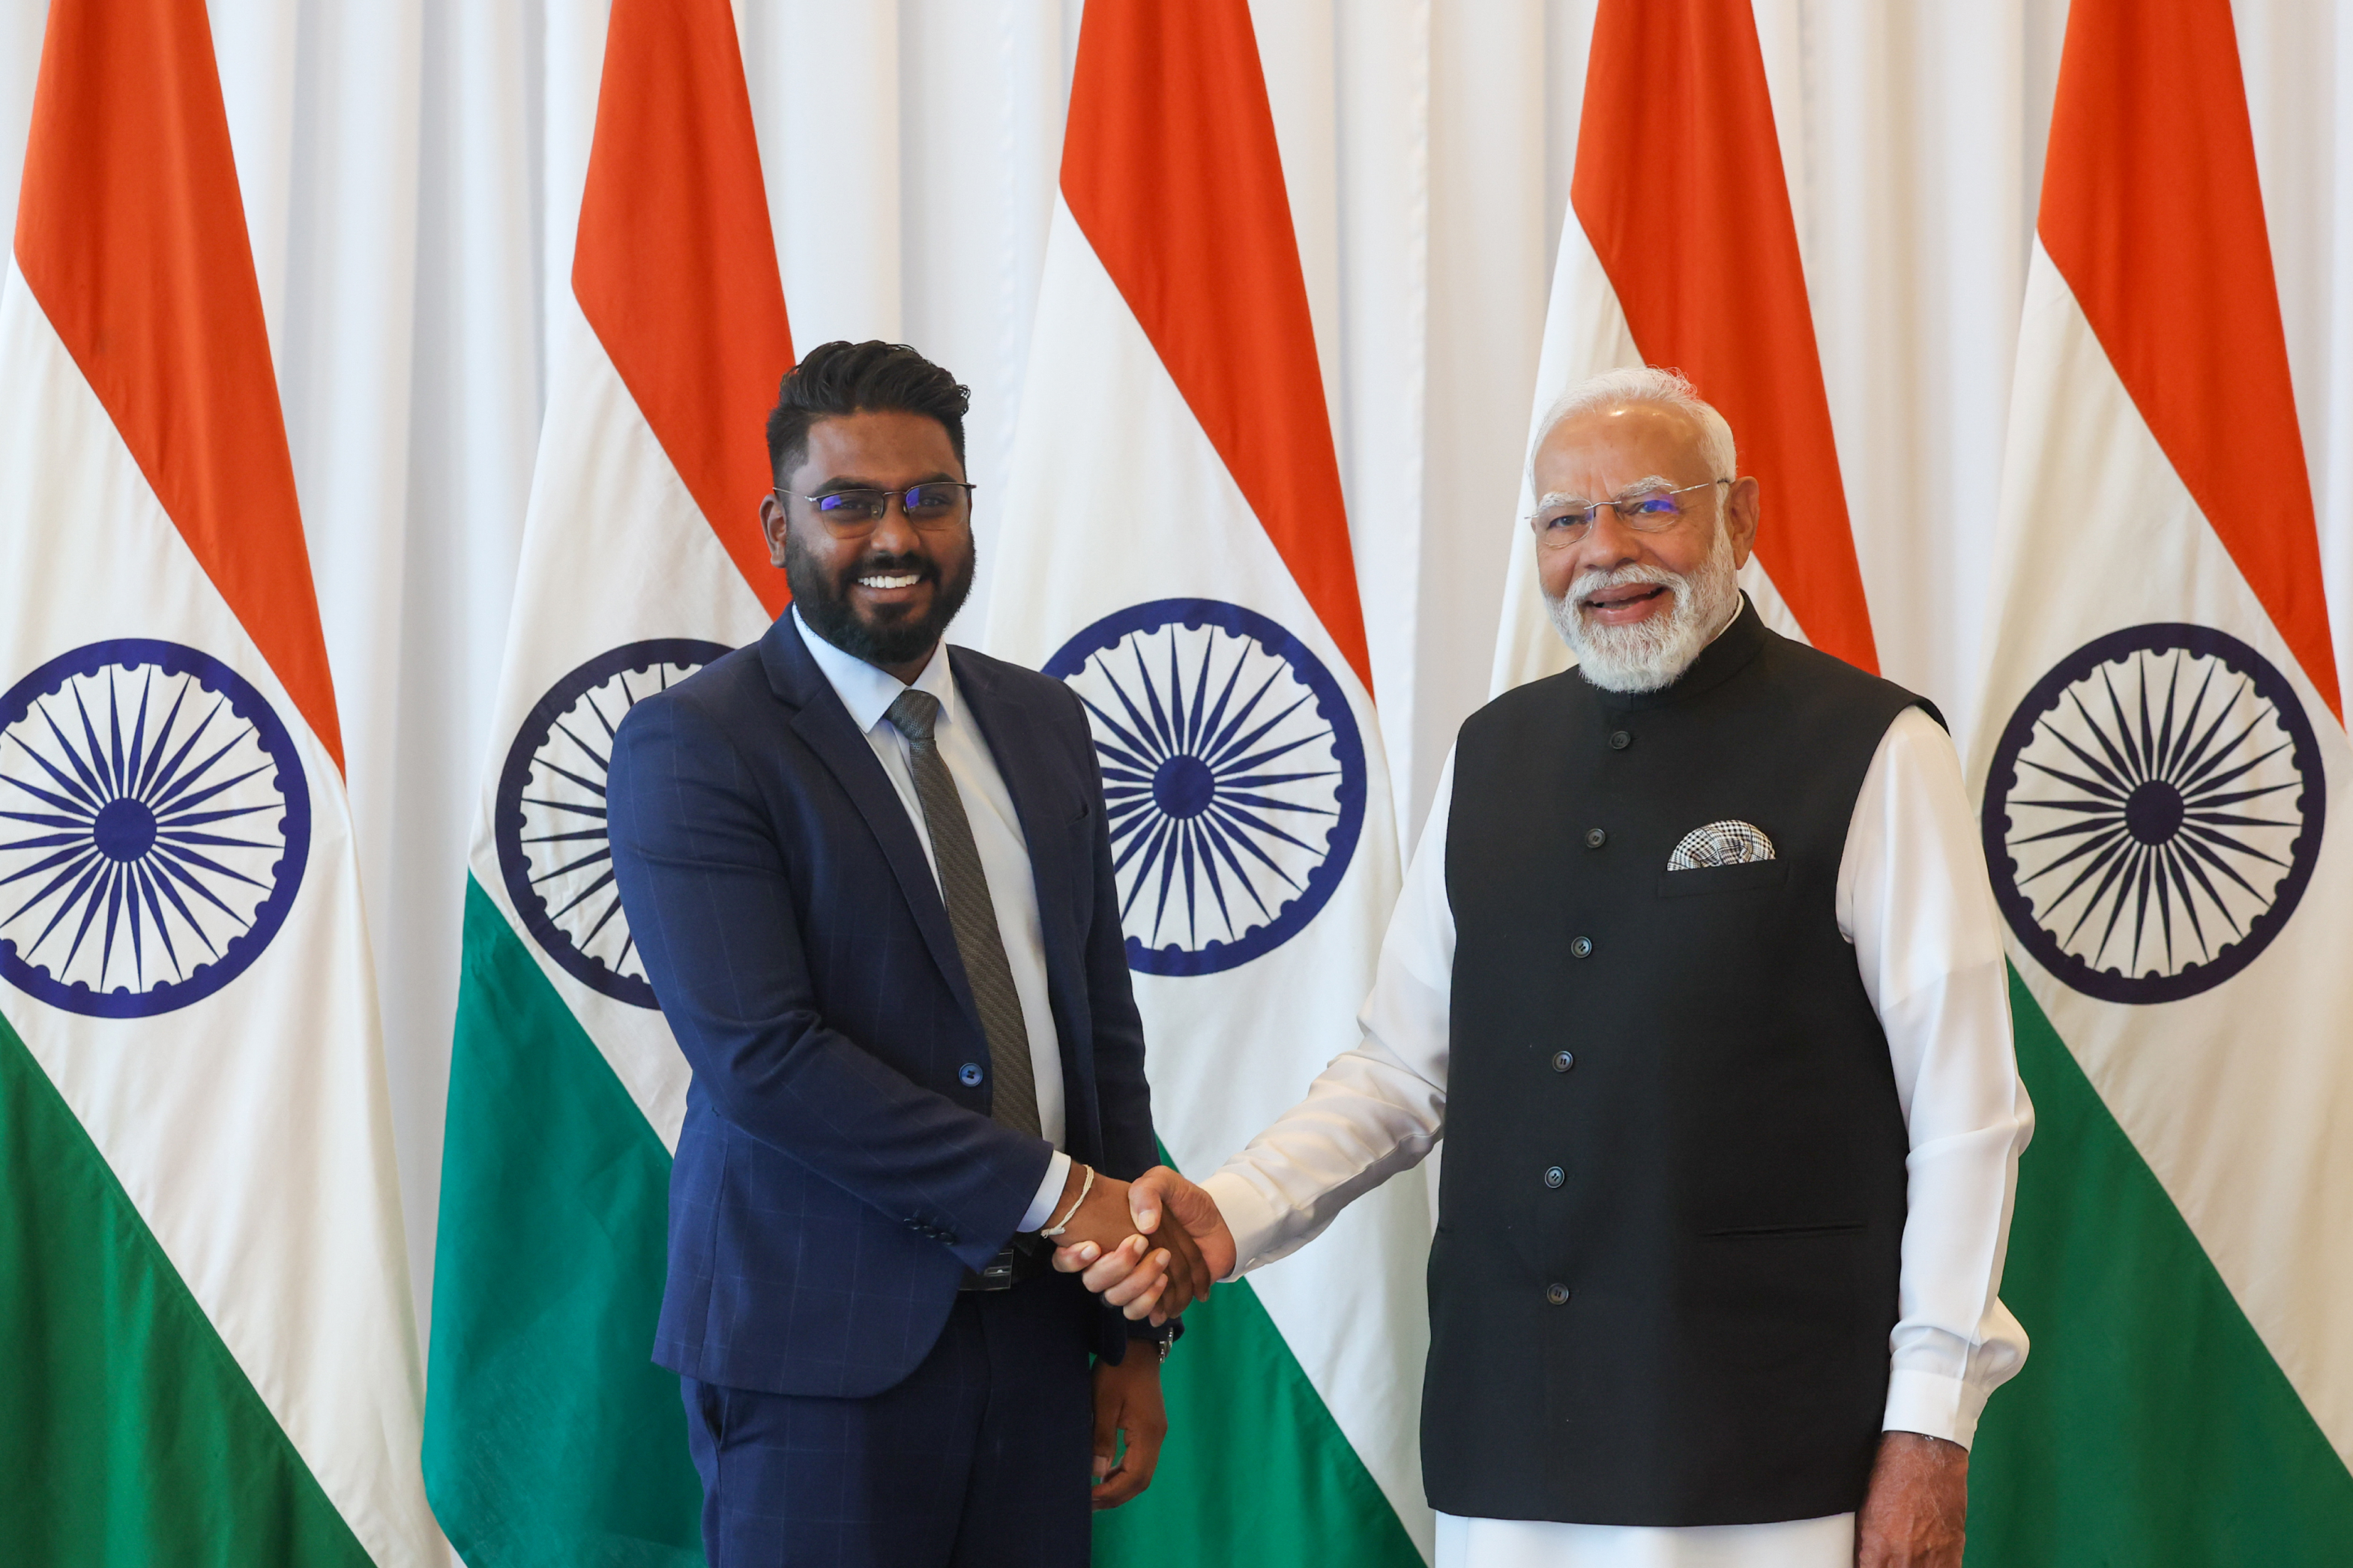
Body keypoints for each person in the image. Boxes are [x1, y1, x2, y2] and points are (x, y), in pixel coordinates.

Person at [1068, 366, 2034, 1568]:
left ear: (1738, 517)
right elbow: (1400, 1076)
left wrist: (1933, 1423)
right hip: (1508, 1434)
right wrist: (1230, 1213)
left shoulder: (1876, 747)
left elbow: (1965, 1114)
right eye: (1566, 519)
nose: (1605, 551)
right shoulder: (1493, 754)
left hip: (1772, 1441)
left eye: (1650, 506)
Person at [606, 340, 1208, 1568]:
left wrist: (1130, 1331)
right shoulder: (697, 744)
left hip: (1043, 1340)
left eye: (931, 498)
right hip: (819, 1363)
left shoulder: (1046, 722)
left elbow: (1099, 1037)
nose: (896, 535)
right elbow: (766, 1061)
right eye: (850, 503)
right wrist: (1065, 1196)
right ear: (778, 526)